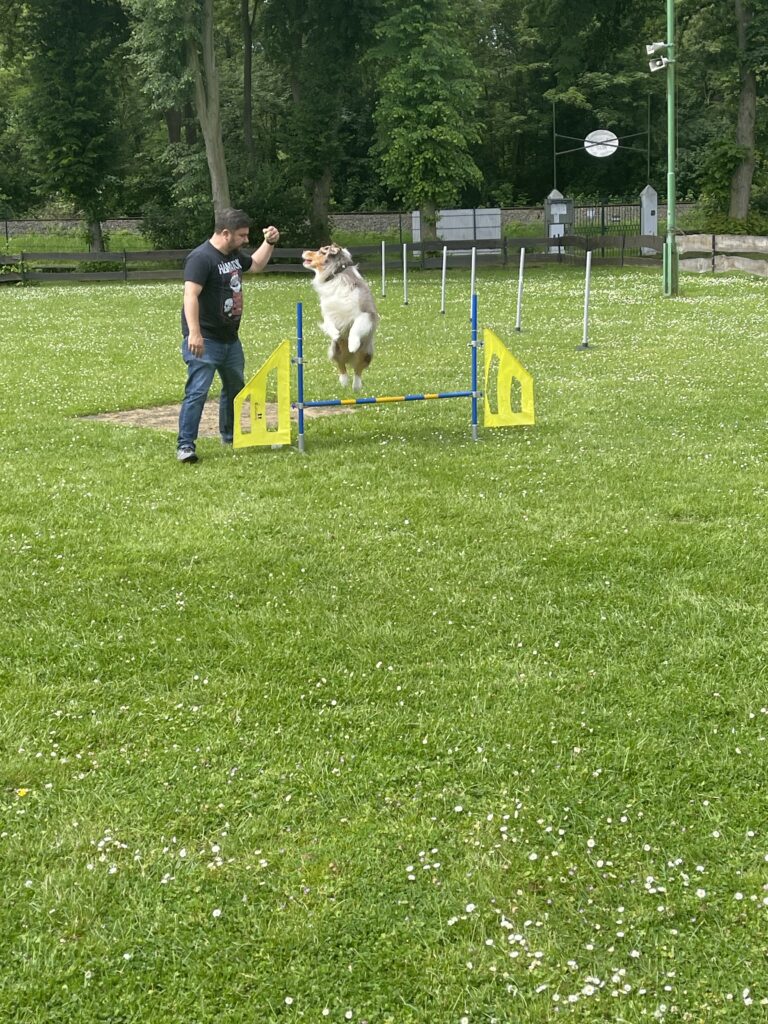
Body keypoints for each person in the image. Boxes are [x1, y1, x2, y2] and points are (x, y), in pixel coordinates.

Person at [176, 208, 280, 463]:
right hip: (205, 340)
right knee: (197, 392)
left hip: (230, 340)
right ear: (225, 233)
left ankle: (229, 436)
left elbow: (256, 265)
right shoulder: (201, 258)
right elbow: (190, 295)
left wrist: (269, 243)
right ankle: (185, 446)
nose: (246, 240)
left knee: (234, 388)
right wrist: (194, 334)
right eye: (242, 235)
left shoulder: (232, 256)